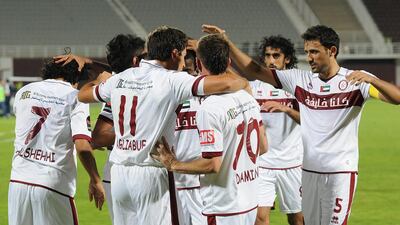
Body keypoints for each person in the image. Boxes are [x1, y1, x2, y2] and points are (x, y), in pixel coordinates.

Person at [202, 24, 400, 225]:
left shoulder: (355, 81)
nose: (310, 57)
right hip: (309, 171)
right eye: (307, 52)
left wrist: (373, 80)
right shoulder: (300, 80)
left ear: (332, 51)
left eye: (314, 51)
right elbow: (255, 70)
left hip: (340, 172)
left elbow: (397, 97)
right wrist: (226, 41)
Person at [77, 26, 250, 225]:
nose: (185, 61)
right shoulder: (173, 80)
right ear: (175, 53)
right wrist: (243, 80)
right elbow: (229, 83)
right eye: (184, 55)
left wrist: (103, 77)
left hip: (119, 173)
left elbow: (83, 95)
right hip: (150, 171)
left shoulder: (122, 78)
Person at [155, 34, 267, 225]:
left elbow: (212, 165)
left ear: (199, 62)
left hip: (223, 206)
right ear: (229, 61)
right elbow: (263, 147)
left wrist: (172, 164)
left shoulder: (210, 107)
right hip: (248, 200)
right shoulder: (247, 97)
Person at [8, 59, 105, 225]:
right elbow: (82, 146)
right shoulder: (76, 97)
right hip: (53, 184)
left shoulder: (24, 91)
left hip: (18, 183)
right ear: (77, 77)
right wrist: (95, 179)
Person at [251, 35, 304, 225]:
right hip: (262, 164)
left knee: (298, 219)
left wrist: (286, 109)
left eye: (276, 56)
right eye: (267, 56)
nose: (271, 61)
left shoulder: (297, 86)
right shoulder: (252, 88)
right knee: (259, 218)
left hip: (293, 163)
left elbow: (312, 123)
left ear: (287, 59)